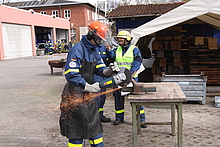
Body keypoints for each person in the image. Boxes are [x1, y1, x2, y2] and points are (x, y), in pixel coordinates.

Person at [59, 21, 124, 147]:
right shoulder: (77, 49)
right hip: (75, 94)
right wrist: (86, 85)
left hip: (89, 95)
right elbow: (70, 74)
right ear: (91, 35)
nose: (101, 43)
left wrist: (109, 70)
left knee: (94, 128)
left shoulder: (94, 50)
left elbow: (100, 69)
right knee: (76, 132)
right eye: (99, 40)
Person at [107, 30, 147, 128]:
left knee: (136, 99)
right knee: (118, 98)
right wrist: (108, 50)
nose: (119, 42)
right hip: (119, 78)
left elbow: (137, 62)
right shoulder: (117, 50)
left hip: (132, 78)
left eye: (121, 40)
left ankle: (141, 120)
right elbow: (111, 57)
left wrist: (129, 76)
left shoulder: (134, 49)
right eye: (118, 40)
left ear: (127, 40)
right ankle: (119, 118)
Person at [95, 44, 111, 123]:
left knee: (102, 98)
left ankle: (100, 115)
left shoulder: (103, 47)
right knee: (96, 98)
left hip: (103, 76)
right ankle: (95, 117)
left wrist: (109, 50)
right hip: (94, 77)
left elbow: (109, 59)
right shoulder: (90, 48)